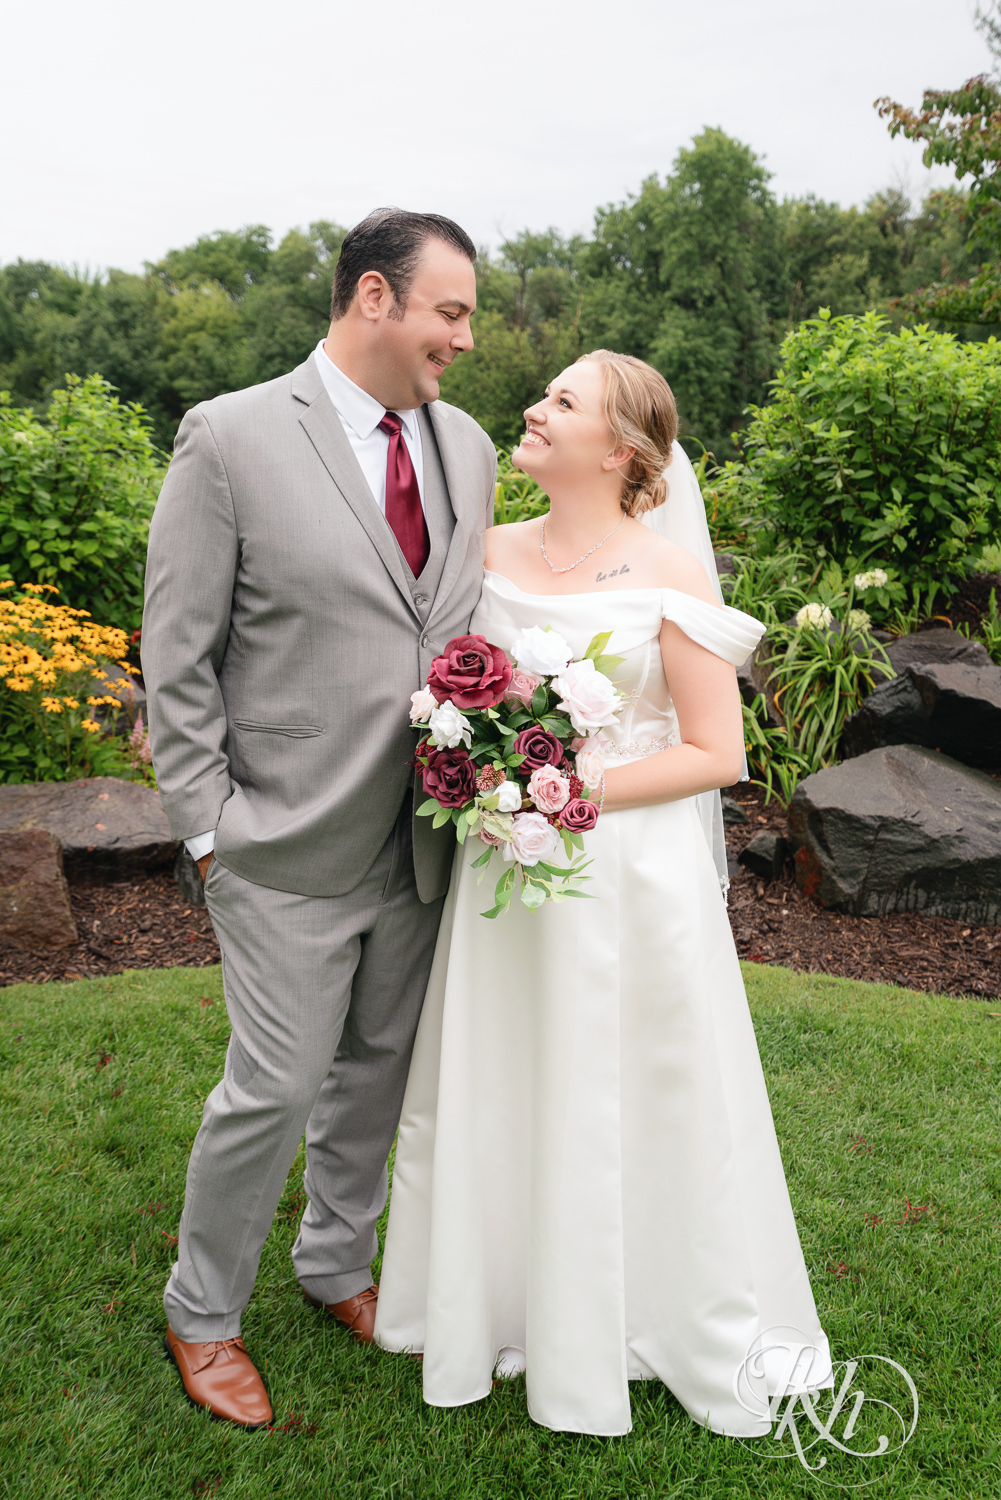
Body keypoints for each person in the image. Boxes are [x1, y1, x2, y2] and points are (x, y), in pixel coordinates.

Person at [374, 350, 833, 1437]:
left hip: (626, 876)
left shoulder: (669, 577)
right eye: (545, 394)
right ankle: (498, 1301)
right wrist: (474, 770)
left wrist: (563, 792)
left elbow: (716, 753)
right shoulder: (478, 554)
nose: (533, 409)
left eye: (562, 402)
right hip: (506, 872)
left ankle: (654, 1314)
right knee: (509, 1073)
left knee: (642, 1087)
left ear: (621, 450)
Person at [142, 209, 496, 1428]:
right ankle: (203, 1314)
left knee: (375, 1080)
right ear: (371, 300)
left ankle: (336, 1264)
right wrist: (206, 826)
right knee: (274, 1086)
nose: (464, 336)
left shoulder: (469, 448)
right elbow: (175, 657)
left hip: (423, 839)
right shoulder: (231, 437)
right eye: (448, 311)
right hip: (278, 843)